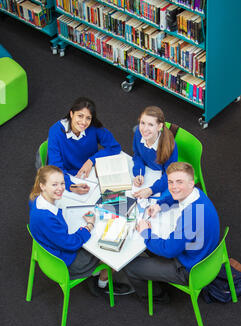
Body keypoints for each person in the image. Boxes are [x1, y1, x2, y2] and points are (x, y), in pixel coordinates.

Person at [123, 162, 220, 303]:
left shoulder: (190, 217)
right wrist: (159, 205)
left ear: (191, 183)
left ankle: (158, 297)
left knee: (130, 266)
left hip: (189, 269)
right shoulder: (198, 194)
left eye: (179, 182)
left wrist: (146, 233)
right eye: (170, 182)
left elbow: (169, 250)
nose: (174, 187)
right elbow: (176, 196)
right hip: (205, 255)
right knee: (154, 244)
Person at [29, 165, 132, 295]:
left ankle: (96, 274)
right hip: (66, 262)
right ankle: (102, 284)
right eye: (54, 185)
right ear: (42, 186)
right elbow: (71, 244)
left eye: (62, 183)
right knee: (112, 251)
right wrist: (89, 226)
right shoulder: (46, 218)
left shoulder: (36, 199)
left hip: (50, 251)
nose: (60, 188)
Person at [48, 97, 121, 195]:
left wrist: (91, 160)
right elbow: (56, 166)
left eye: (88, 118)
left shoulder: (93, 127)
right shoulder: (55, 131)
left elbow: (114, 147)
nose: (83, 122)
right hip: (68, 176)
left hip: (91, 171)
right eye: (80, 116)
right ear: (71, 114)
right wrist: (71, 186)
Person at [132, 106, 178, 199]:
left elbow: (170, 174)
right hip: (147, 172)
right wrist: (138, 173)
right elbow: (137, 155)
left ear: (159, 126)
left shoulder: (169, 146)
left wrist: (151, 190)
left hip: (161, 179)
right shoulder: (138, 133)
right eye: (142, 123)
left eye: (150, 125)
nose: (144, 129)